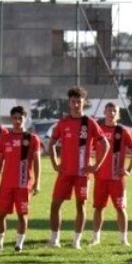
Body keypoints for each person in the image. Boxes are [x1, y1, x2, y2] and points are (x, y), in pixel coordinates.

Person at [48, 86, 108, 249]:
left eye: (79, 101)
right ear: (69, 103)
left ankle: (76, 241)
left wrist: (96, 165)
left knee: (80, 206)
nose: (76, 105)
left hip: (82, 174)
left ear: (84, 103)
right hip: (65, 173)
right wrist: (55, 164)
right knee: (55, 205)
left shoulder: (89, 123)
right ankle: (54, 240)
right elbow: (51, 143)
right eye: (73, 101)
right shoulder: (63, 122)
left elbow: (105, 143)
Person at [0, 106, 42, 253]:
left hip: (23, 184)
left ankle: (18, 244)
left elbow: (37, 161)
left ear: (25, 119)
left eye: (20, 118)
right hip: (6, 184)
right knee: (1, 214)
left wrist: (37, 182)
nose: (17, 121)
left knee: (22, 214)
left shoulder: (32, 139)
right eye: (14, 118)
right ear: (11, 119)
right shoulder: (5, 137)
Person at [91, 102, 132, 246]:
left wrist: (128, 169)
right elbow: (88, 148)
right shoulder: (98, 130)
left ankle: (124, 239)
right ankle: (95, 238)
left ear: (118, 114)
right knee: (98, 208)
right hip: (100, 178)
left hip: (117, 179)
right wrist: (92, 165)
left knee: (120, 208)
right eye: (109, 110)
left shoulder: (123, 131)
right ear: (104, 112)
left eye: (114, 111)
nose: (111, 113)